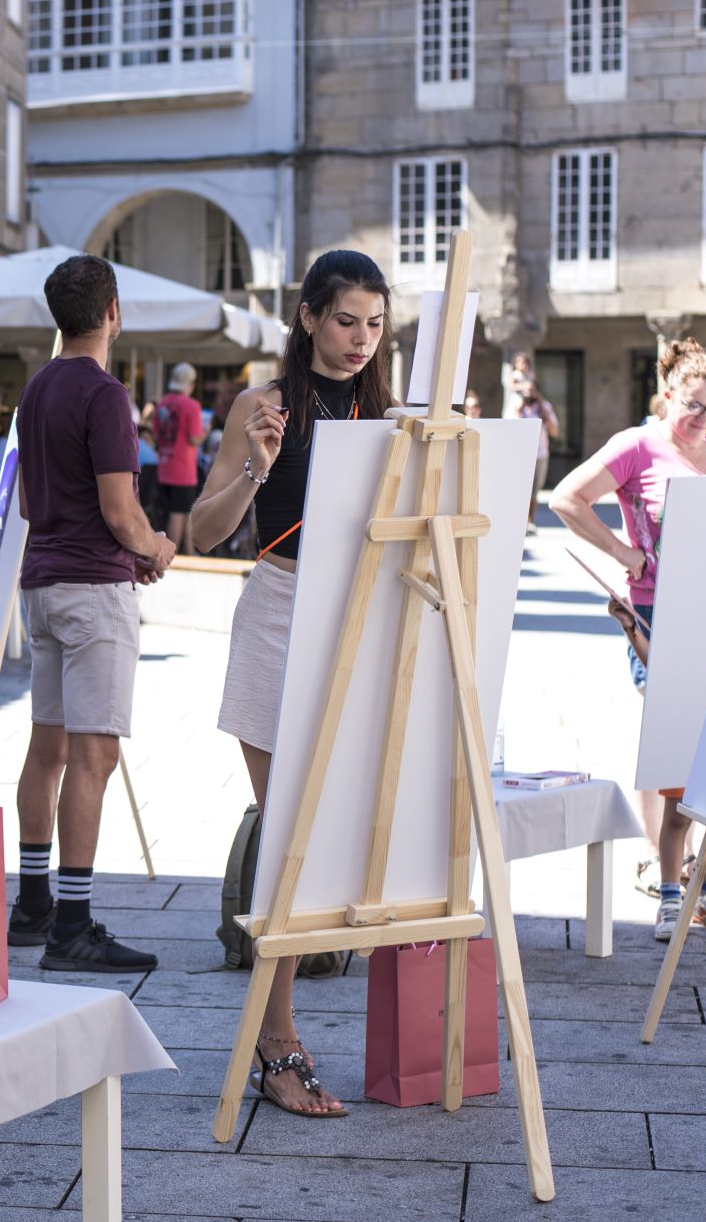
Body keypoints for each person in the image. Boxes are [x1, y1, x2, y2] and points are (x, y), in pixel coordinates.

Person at [189, 248, 399, 1119]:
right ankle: (277, 1040)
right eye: (346, 319)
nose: (361, 338)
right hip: (279, 612)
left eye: (376, 323)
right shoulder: (263, 405)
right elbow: (203, 528)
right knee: (287, 840)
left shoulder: (393, 412)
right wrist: (256, 468)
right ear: (309, 316)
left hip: (364, 621)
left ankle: (286, 1034)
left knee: (346, 836)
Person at [550, 338, 706, 941]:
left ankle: (697, 879)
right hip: (658, 613)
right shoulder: (637, 445)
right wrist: (624, 554)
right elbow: (566, 498)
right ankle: (672, 886)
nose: (704, 421)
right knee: (674, 739)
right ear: (666, 395)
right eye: (694, 407)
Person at [6, 254, 171, 975]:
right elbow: (119, 506)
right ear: (113, 311)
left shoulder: (35, 390)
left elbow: (27, 501)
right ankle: (72, 922)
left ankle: (33, 903)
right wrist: (155, 546)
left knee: (49, 747)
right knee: (95, 755)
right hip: (92, 590)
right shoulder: (104, 393)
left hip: (42, 583)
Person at [151, 362, 205, 552]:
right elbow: (194, 439)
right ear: (190, 384)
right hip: (183, 469)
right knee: (180, 513)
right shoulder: (191, 406)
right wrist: (205, 431)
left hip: (165, 466)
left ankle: (188, 552)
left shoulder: (163, 403)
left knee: (175, 512)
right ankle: (172, 554)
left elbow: (155, 435)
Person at [510, 363, 559, 533]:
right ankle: (519, 521)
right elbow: (510, 427)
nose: (528, 394)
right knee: (520, 487)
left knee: (534, 490)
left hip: (540, 454)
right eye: (526, 391)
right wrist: (519, 410)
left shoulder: (544, 407)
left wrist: (545, 416)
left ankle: (530, 521)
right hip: (520, 454)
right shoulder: (516, 406)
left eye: (532, 390)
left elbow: (555, 431)